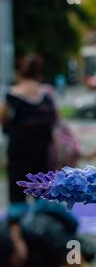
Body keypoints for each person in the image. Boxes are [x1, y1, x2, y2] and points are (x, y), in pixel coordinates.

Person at [0, 55, 57, 205]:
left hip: (18, 153)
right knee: (43, 196)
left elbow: (2, 118)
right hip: (42, 152)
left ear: (20, 72)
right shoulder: (46, 93)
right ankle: (42, 226)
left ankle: (16, 228)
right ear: (39, 72)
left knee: (17, 198)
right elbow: (55, 120)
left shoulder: (12, 93)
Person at [0, 200, 96, 267]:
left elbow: (76, 265)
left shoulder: (46, 228)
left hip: (70, 258)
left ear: (15, 238)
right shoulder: (9, 245)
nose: (15, 264)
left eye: (15, 259)